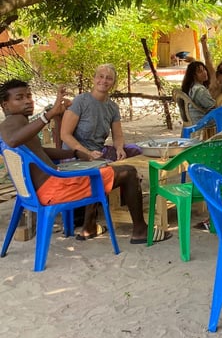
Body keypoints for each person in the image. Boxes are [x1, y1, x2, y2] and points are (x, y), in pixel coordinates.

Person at [0, 80, 171, 244]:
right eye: (19, 98)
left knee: (99, 168)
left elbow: (41, 151)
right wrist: (49, 115)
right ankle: (140, 230)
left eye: (29, 96)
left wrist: (74, 152)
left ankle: (89, 227)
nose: (27, 101)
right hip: (54, 190)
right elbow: (12, 140)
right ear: (5, 105)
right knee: (128, 172)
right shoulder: (10, 124)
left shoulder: (19, 123)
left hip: (43, 189)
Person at [59, 63, 142, 163]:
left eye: (109, 78)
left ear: (113, 83)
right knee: (108, 166)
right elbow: (65, 135)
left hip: (98, 152)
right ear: (94, 79)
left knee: (136, 150)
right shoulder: (80, 101)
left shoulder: (113, 107)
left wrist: (120, 148)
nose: (104, 81)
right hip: (75, 154)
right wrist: (87, 153)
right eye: (100, 76)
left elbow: (118, 136)